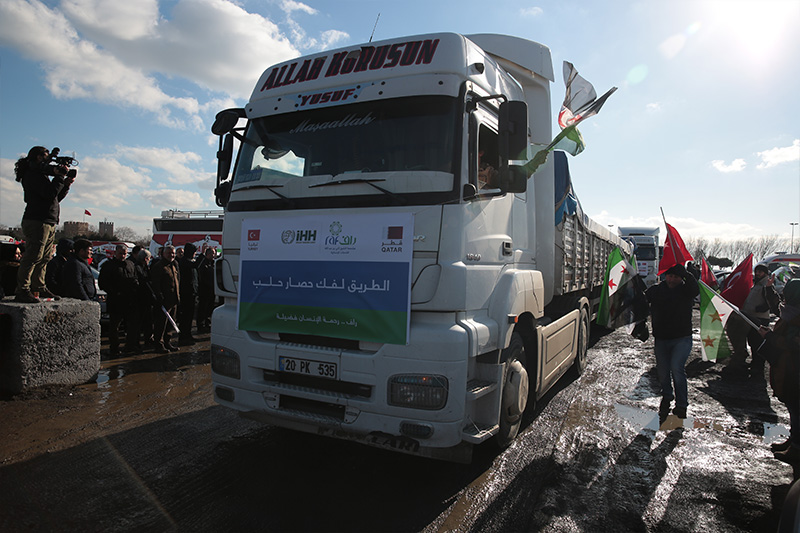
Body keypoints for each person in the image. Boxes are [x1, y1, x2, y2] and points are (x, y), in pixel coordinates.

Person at [14, 146, 75, 303]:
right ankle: (23, 289)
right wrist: (59, 177)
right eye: (44, 156)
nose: (47, 161)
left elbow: (54, 198)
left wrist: (66, 184)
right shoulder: (32, 175)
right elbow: (49, 193)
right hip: (37, 220)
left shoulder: (41, 176)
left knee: (45, 257)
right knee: (33, 255)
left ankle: (38, 286)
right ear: (36, 157)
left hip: (48, 220)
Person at [645, 263, 699, 421]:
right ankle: (667, 395)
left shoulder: (686, 290)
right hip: (661, 338)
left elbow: (695, 289)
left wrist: (687, 273)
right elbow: (641, 300)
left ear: (680, 277)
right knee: (662, 370)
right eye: (670, 276)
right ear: (665, 276)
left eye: (676, 276)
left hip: (681, 338)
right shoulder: (656, 290)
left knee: (676, 368)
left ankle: (682, 405)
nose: (672, 279)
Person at [758, 279, 800, 464]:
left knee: (797, 410)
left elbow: (794, 344)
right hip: (787, 368)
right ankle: (794, 441)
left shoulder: (796, 316)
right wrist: (769, 289)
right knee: (793, 409)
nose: (784, 297)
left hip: (795, 370)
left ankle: (797, 449)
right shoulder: (791, 312)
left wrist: (771, 337)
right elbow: (777, 307)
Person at [727, 263, 779, 379]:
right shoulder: (756, 284)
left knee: (758, 343)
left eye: (760, 272)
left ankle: (758, 367)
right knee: (752, 341)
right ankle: (754, 364)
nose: (758, 274)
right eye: (757, 271)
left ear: (765, 273)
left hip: (760, 318)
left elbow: (769, 302)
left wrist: (759, 308)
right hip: (750, 317)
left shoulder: (767, 284)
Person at [98, 244, 138, 355]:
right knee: (114, 326)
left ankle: (129, 346)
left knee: (131, 325)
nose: (122, 255)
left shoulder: (130, 264)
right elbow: (103, 283)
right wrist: (115, 292)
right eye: (120, 253)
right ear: (115, 253)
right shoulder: (108, 266)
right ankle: (114, 348)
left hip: (129, 300)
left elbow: (135, 277)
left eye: (124, 253)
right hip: (116, 300)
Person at [150, 245, 180, 353]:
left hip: (173, 300)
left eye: (173, 253)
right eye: (169, 253)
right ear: (163, 254)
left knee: (170, 324)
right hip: (163, 302)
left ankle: (168, 342)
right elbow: (156, 284)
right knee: (161, 324)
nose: (171, 255)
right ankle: (159, 344)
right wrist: (159, 297)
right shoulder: (159, 266)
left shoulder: (173, 265)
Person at [177, 242, 201, 345]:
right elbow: (195, 265)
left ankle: (188, 334)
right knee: (185, 317)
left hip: (192, 293)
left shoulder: (189, 261)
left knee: (190, 316)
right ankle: (183, 336)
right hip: (186, 293)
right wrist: (203, 254)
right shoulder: (184, 262)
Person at [130, 248, 154, 350]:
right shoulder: (137, 268)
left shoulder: (145, 267)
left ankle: (147, 340)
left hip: (146, 300)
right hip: (139, 300)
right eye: (148, 259)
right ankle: (135, 344)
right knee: (137, 324)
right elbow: (141, 282)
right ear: (145, 259)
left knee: (147, 322)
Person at [197, 247, 217, 333]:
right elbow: (202, 277)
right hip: (204, 290)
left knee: (209, 308)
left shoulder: (213, 263)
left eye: (214, 253)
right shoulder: (203, 263)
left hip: (212, 289)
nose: (213, 255)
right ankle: (200, 325)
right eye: (212, 253)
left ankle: (207, 323)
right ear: (208, 254)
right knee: (203, 308)